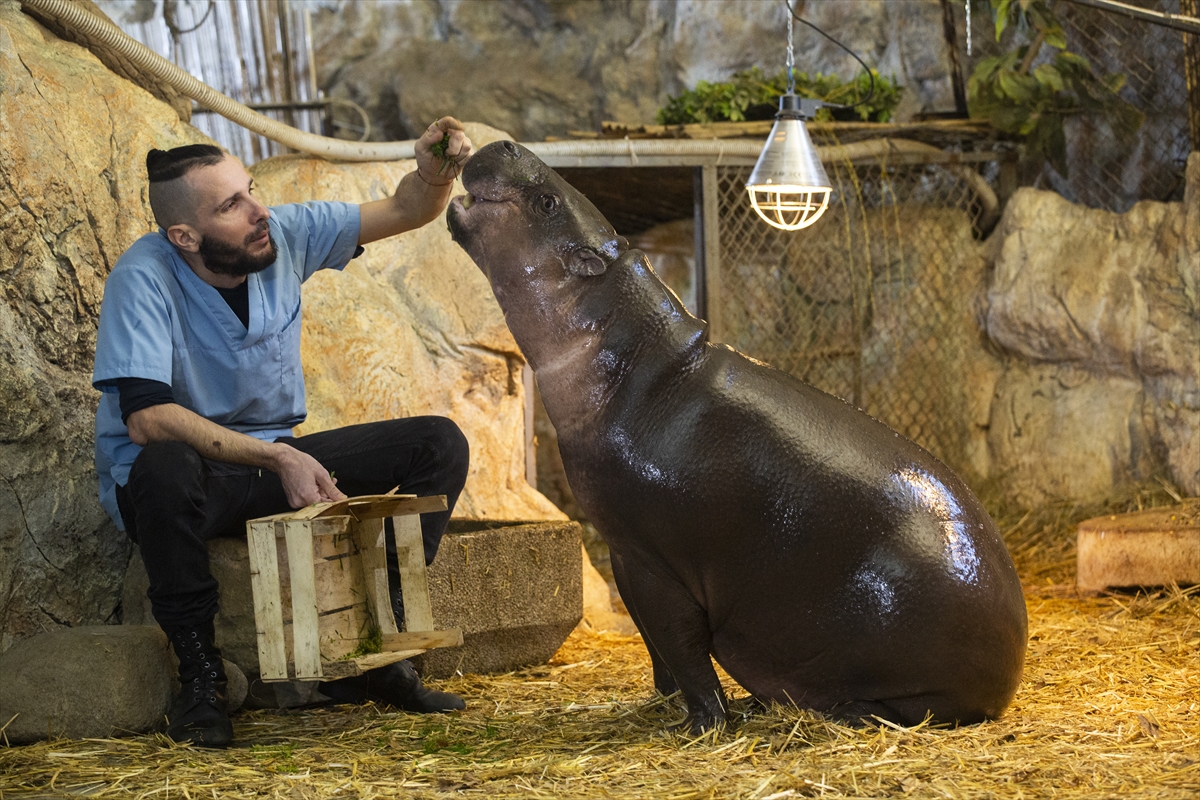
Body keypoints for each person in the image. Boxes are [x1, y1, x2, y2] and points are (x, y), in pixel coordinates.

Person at [92, 118, 474, 748]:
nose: (258, 210)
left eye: (251, 189)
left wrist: (437, 173)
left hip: (269, 465)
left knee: (439, 443)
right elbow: (146, 416)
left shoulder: (284, 234)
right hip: (188, 484)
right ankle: (202, 678)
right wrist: (277, 458)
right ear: (184, 235)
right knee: (160, 463)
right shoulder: (144, 276)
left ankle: (379, 652)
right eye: (232, 204)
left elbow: (409, 208)